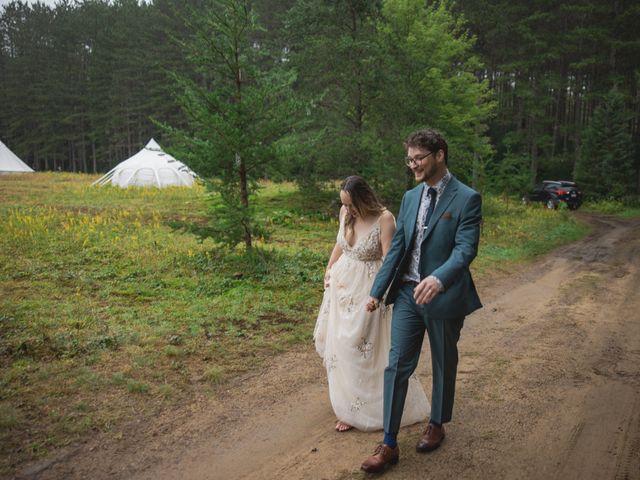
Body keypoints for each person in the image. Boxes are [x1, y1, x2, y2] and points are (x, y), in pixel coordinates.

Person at [360, 129, 482, 473]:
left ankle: (437, 423)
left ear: (439, 155)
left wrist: (440, 278)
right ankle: (388, 443)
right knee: (396, 365)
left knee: (444, 362)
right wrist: (376, 291)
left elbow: (465, 250)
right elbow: (398, 247)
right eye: (409, 159)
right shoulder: (410, 197)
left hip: (443, 296)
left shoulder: (467, 198)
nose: (413, 165)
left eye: (419, 158)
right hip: (406, 295)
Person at [314, 175, 430, 433]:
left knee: (364, 348)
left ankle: (373, 408)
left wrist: (380, 294)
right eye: (343, 204)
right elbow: (340, 244)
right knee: (342, 348)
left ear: (363, 199)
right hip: (342, 291)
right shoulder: (346, 214)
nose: (347, 209)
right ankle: (347, 408)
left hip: (369, 291)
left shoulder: (385, 219)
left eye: (351, 204)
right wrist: (329, 267)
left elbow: (391, 257)